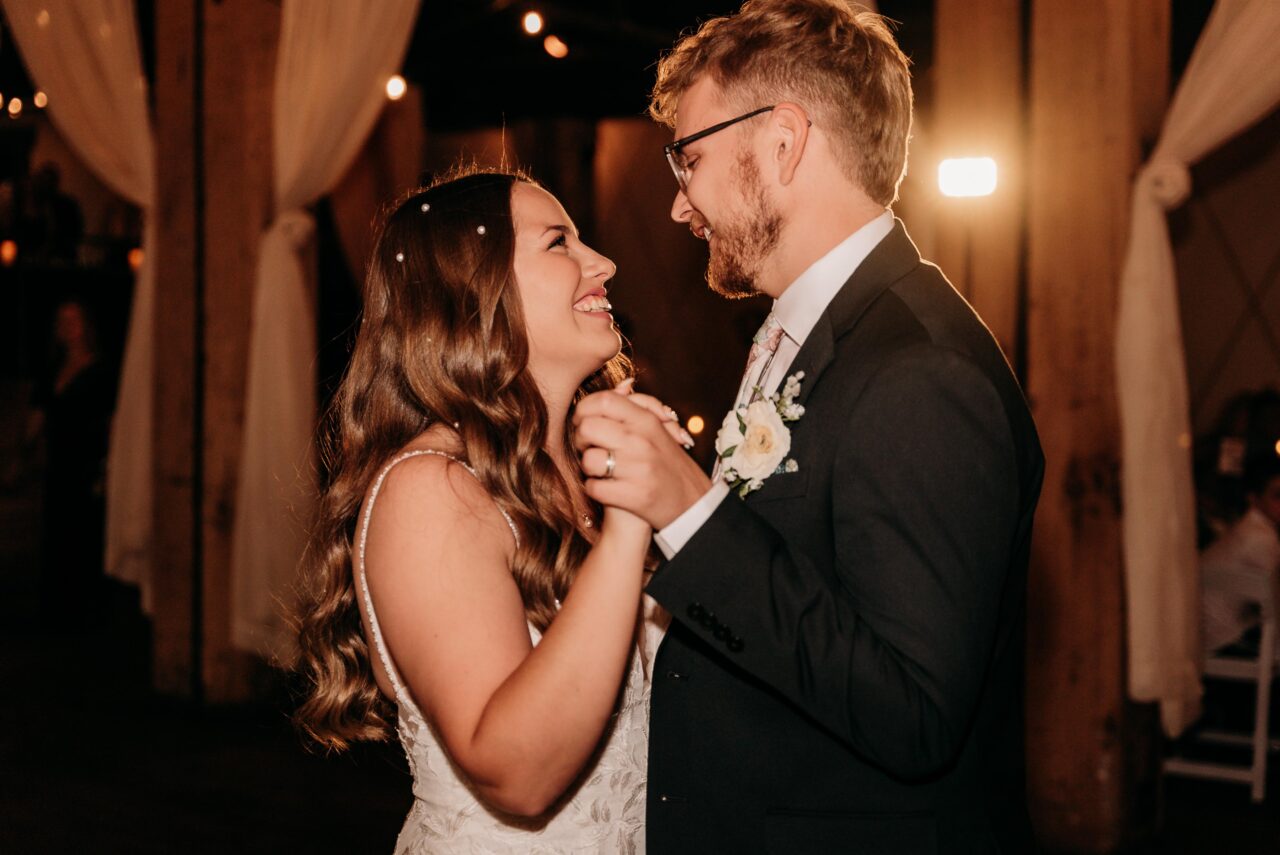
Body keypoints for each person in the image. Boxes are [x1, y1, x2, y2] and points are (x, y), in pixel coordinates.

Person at [573, 2, 1044, 852]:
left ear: (783, 141)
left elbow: (912, 711)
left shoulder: (921, 371)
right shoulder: (807, 336)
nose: (680, 208)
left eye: (692, 158)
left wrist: (693, 512)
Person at [293, 168, 674, 852]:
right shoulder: (428, 488)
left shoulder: (586, 468)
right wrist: (630, 526)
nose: (604, 263)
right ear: (472, 293)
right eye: (560, 242)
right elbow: (515, 775)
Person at [28, 297, 115, 627]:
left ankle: (86, 608)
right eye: (61, 321)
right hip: (59, 462)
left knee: (84, 532)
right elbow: (38, 415)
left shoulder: (101, 371)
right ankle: (57, 608)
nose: (68, 328)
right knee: (57, 531)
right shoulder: (52, 371)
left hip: (87, 461)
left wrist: (108, 464)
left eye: (73, 320)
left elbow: (111, 419)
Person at [1201, 454, 1280, 654]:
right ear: (1253, 498)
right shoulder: (1260, 537)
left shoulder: (1248, 527)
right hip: (1224, 639)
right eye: (1277, 496)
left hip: (1211, 633)